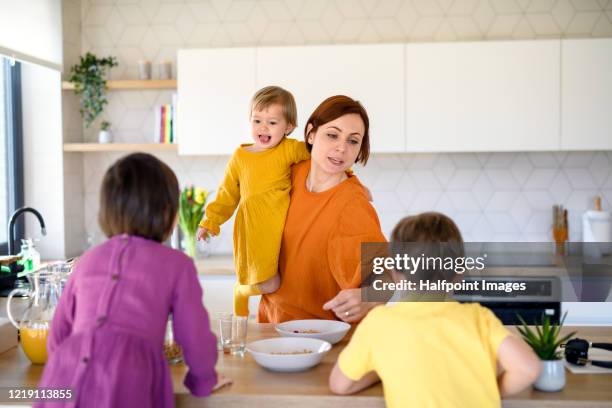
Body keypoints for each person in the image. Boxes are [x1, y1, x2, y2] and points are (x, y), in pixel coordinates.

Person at [35, 153, 225, 408]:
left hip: (62, 378)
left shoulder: (87, 260)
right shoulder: (178, 265)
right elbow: (195, 338)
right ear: (167, 212)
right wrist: (203, 381)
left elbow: (57, 338)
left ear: (108, 212)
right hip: (127, 380)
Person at [329, 212, 542, 407]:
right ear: (459, 273)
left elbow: (340, 385)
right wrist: (492, 391)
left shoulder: (378, 323)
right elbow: (528, 368)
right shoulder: (479, 317)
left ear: (394, 272)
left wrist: (383, 366)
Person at [258, 95, 386, 324]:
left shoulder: (353, 203)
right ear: (310, 133)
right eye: (332, 135)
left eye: (353, 141)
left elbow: (388, 271)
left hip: (325, 338)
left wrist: (368, 298)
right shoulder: (287, 173)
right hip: (271, 329)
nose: (341, 148)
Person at [197, 86, 310, 317]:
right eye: (257, 120)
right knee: (271, 284)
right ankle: (241, 292)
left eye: (272, 122)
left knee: (289, 280)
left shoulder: (289, 149)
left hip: (284, 229)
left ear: (288, 126)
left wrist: (349, 176)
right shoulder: (240, 157)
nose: (263, 127)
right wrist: (210, 221)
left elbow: (323, 154)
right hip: (256, 230)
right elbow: (227, 194)